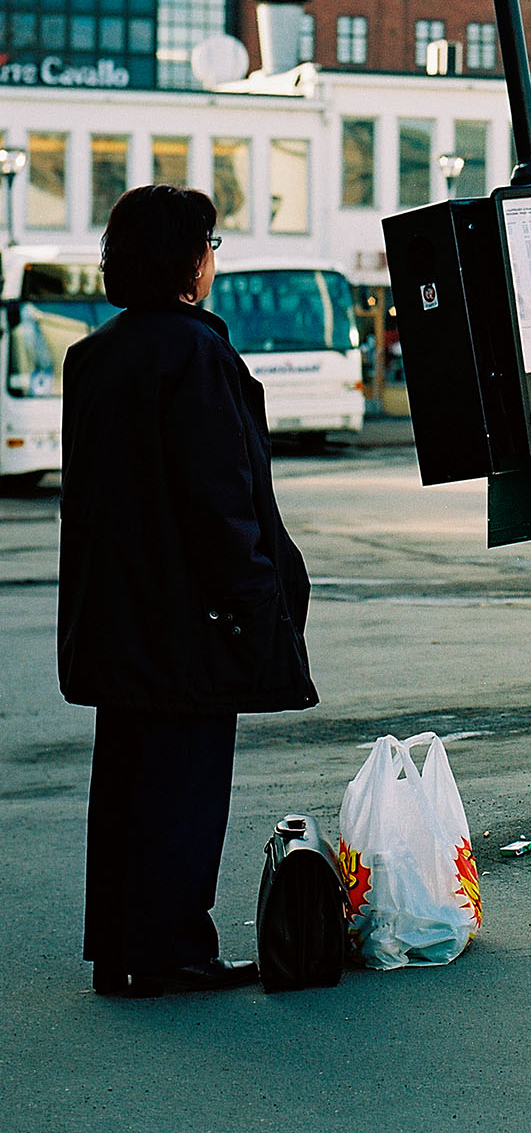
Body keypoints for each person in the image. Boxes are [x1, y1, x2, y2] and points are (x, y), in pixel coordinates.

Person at [58, 185, 318, 998]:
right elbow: (220, 497)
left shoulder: (94, 356)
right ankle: (171, 951)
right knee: (186, 785)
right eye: (209, 243)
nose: (214, 259)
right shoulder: (197, 354)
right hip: (189, 616)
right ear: (188, 261)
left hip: (117, 611)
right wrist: (257, 601)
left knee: (128, 780)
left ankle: (122, 951)